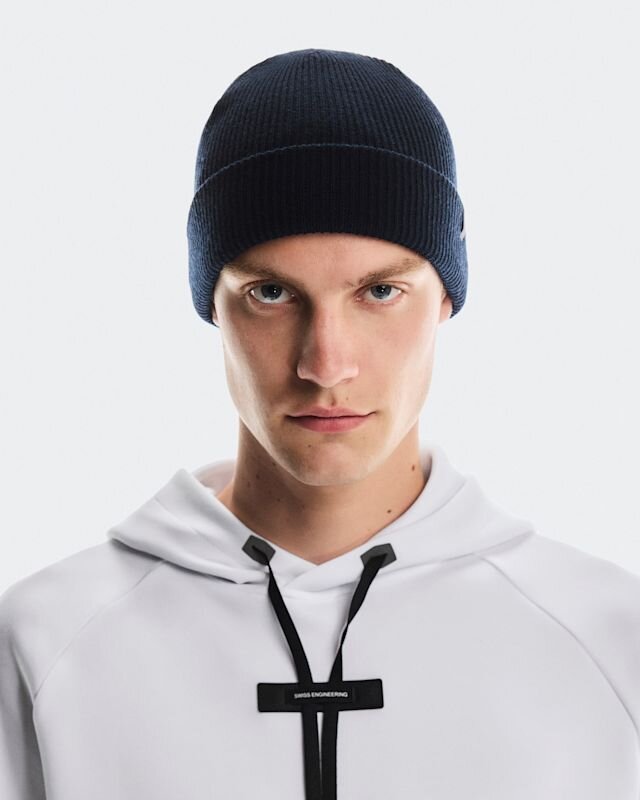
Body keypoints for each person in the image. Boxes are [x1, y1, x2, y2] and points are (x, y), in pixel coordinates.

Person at [1, 47, 640, 800]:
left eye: (379, 292)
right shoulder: (48, 641)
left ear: (446, 298)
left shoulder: (609, 639)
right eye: (271, 293)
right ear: (212, 304)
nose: (326, 365)